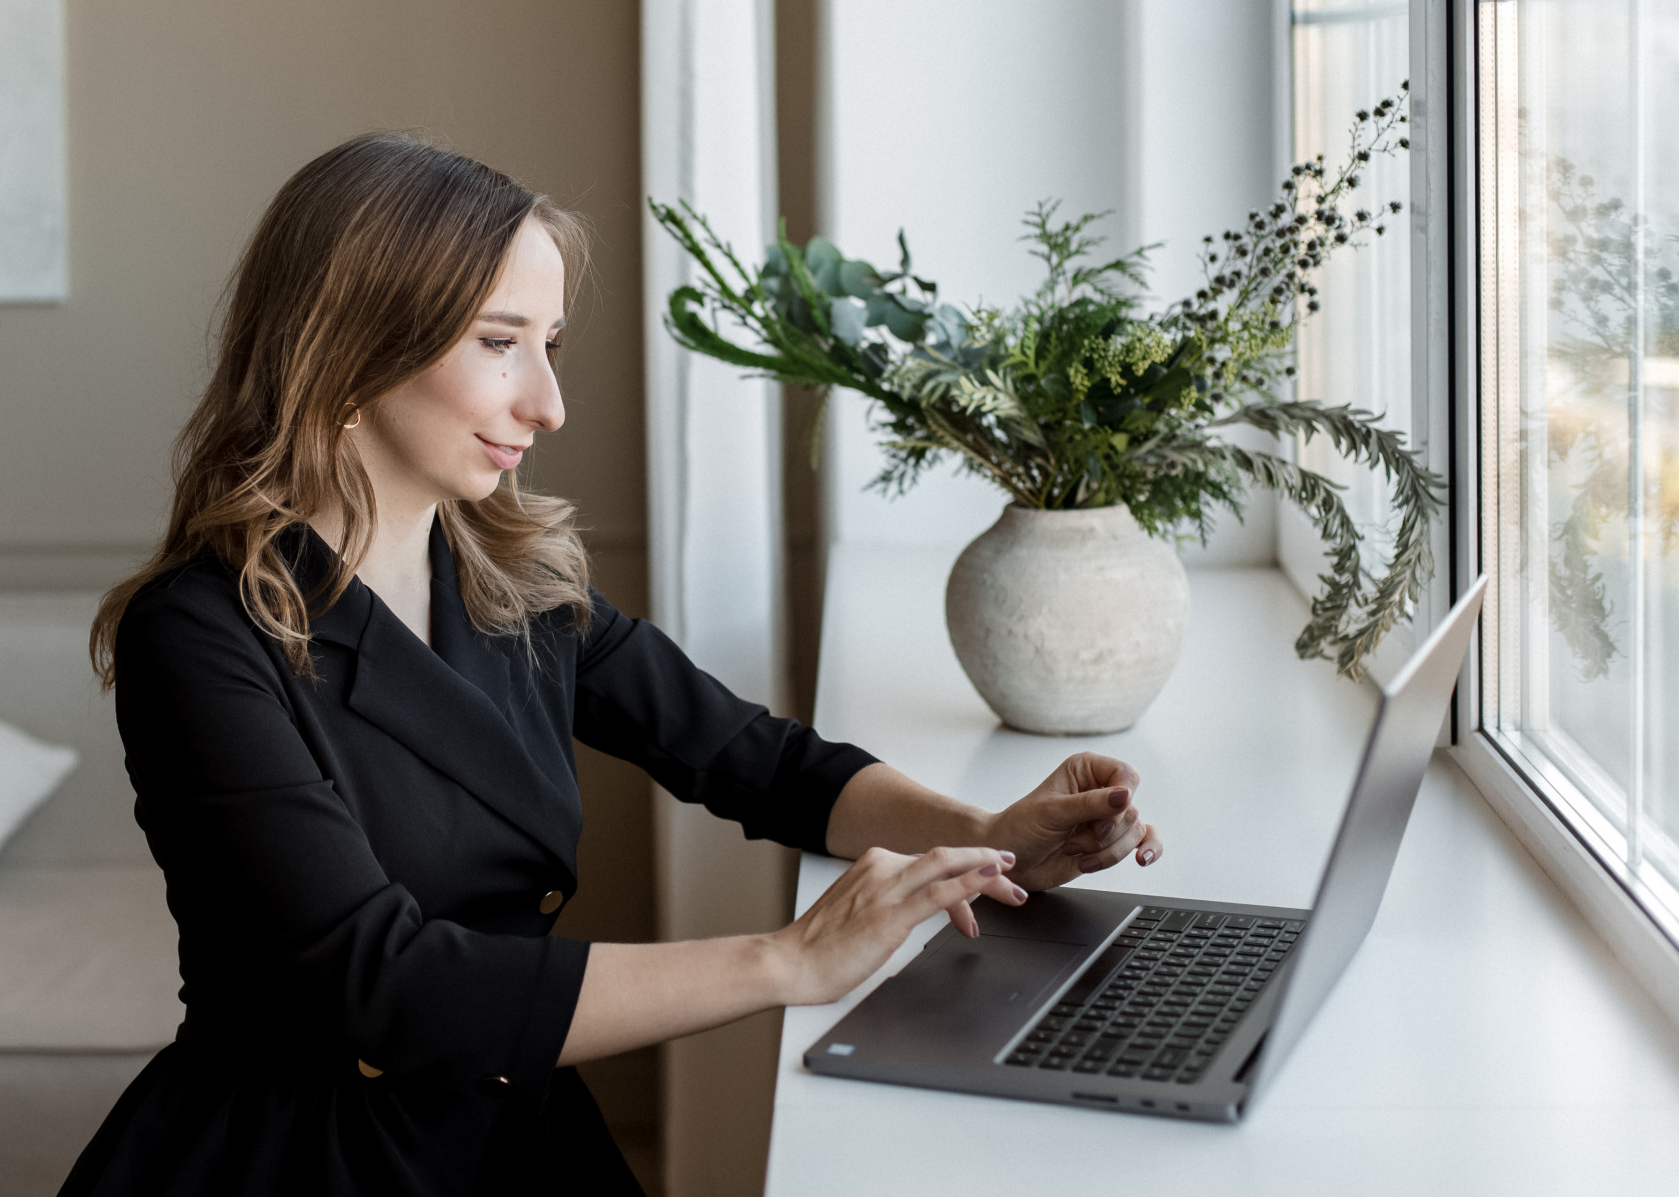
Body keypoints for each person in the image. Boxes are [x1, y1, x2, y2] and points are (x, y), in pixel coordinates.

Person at [61, 133, 1162, 1197]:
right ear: (353, 351)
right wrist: (788, 961)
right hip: (311, 1155)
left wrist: (986, 835)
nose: (548, 403)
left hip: (505, 1122)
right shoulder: (199, 637)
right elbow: (385, 984)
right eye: (500, 343)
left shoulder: (513, 579)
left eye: (550, 343)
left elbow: (754, 760)